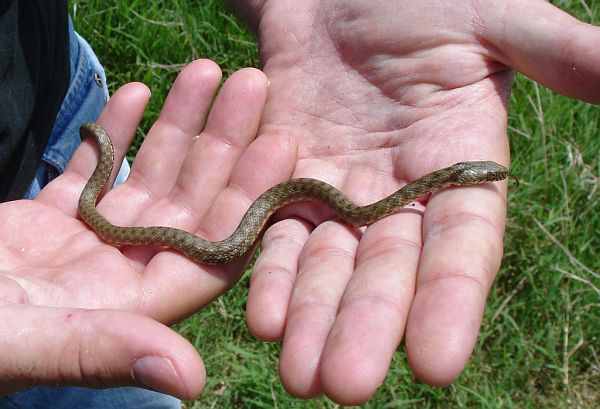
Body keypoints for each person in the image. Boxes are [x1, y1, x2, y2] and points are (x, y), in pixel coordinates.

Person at [1, 0, 600, 407]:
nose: (489, 176)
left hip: (51, 91)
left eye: (482, 176)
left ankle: (95, 150)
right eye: (483, 175)